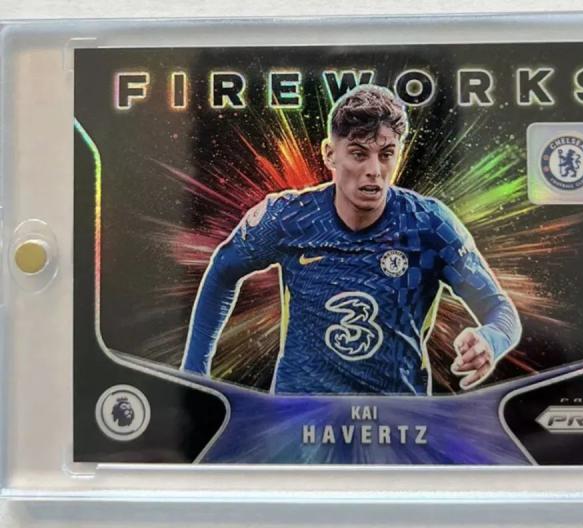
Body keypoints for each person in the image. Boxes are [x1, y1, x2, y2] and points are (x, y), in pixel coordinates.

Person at [181, 84, 521, 395]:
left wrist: (490, 340)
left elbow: (500, 310)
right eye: (359, 153)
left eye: (386, 154)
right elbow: (222, 271)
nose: (374, 169)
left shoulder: (429, 225)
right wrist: (195, 375)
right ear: (330, 154)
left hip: (399, 424)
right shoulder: (287, 218)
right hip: (298, 422)